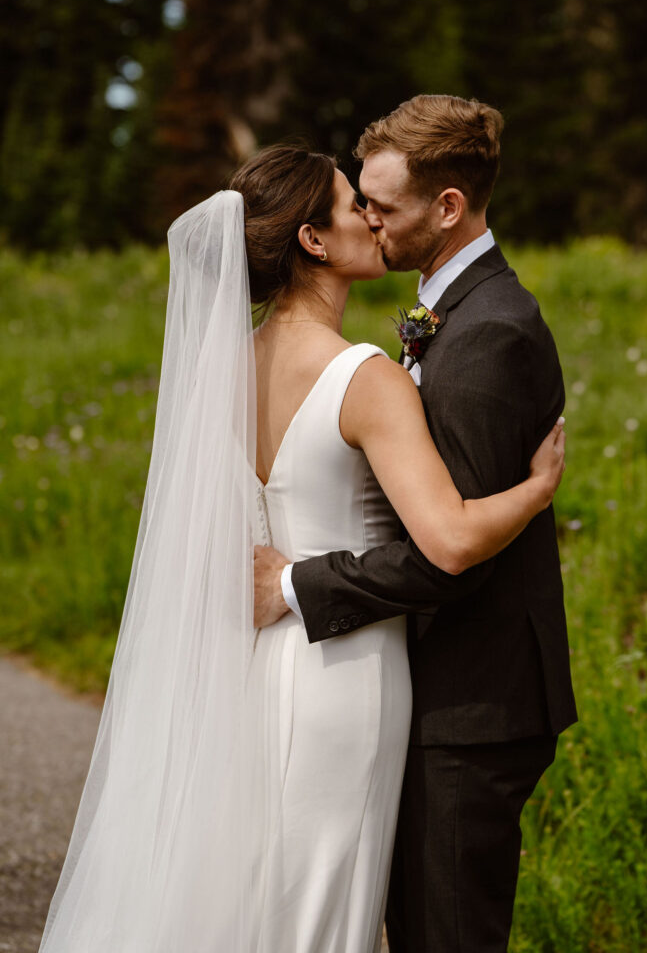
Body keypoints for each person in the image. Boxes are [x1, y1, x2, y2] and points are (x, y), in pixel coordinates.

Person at [38, 139, 564, 953]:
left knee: (257, 889)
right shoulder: (363, 376)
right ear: (314, 241)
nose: (371, 216)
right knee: (318, 903)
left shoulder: (226, 370)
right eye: (355, 203)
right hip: (342, 676)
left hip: (256, 669)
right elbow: (452, 541)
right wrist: (533, 492)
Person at [253, 96, 578, 953]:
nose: (369, 218)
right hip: (408, 687)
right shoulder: (445, 317)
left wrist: (294, 581)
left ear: (446, 207)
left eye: (382, 206)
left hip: (470, 704)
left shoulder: (488, 335)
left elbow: (451, 555)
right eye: (357, 201)